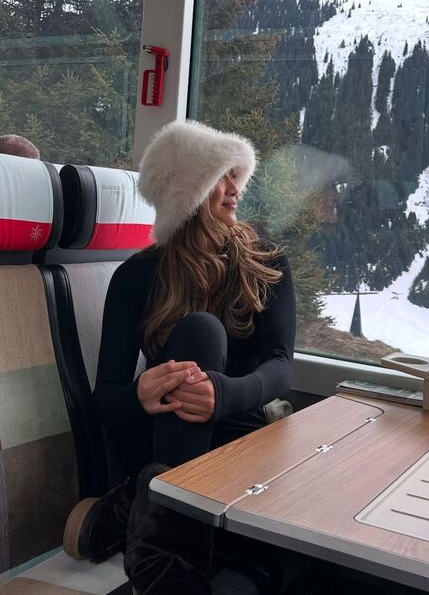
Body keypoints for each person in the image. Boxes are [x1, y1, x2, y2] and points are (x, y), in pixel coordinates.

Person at [64, 120, 296, 594]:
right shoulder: (136, 277)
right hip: (157, 438)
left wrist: (225, 394)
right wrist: (139, 395)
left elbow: (279, 365)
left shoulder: (266, 262)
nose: (235, 189)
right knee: (201, 333)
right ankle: (166, 562)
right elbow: (104, 399)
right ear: (187, 194)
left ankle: (134, 505)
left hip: (235, 438)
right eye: (220, 177)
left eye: (236, 176)